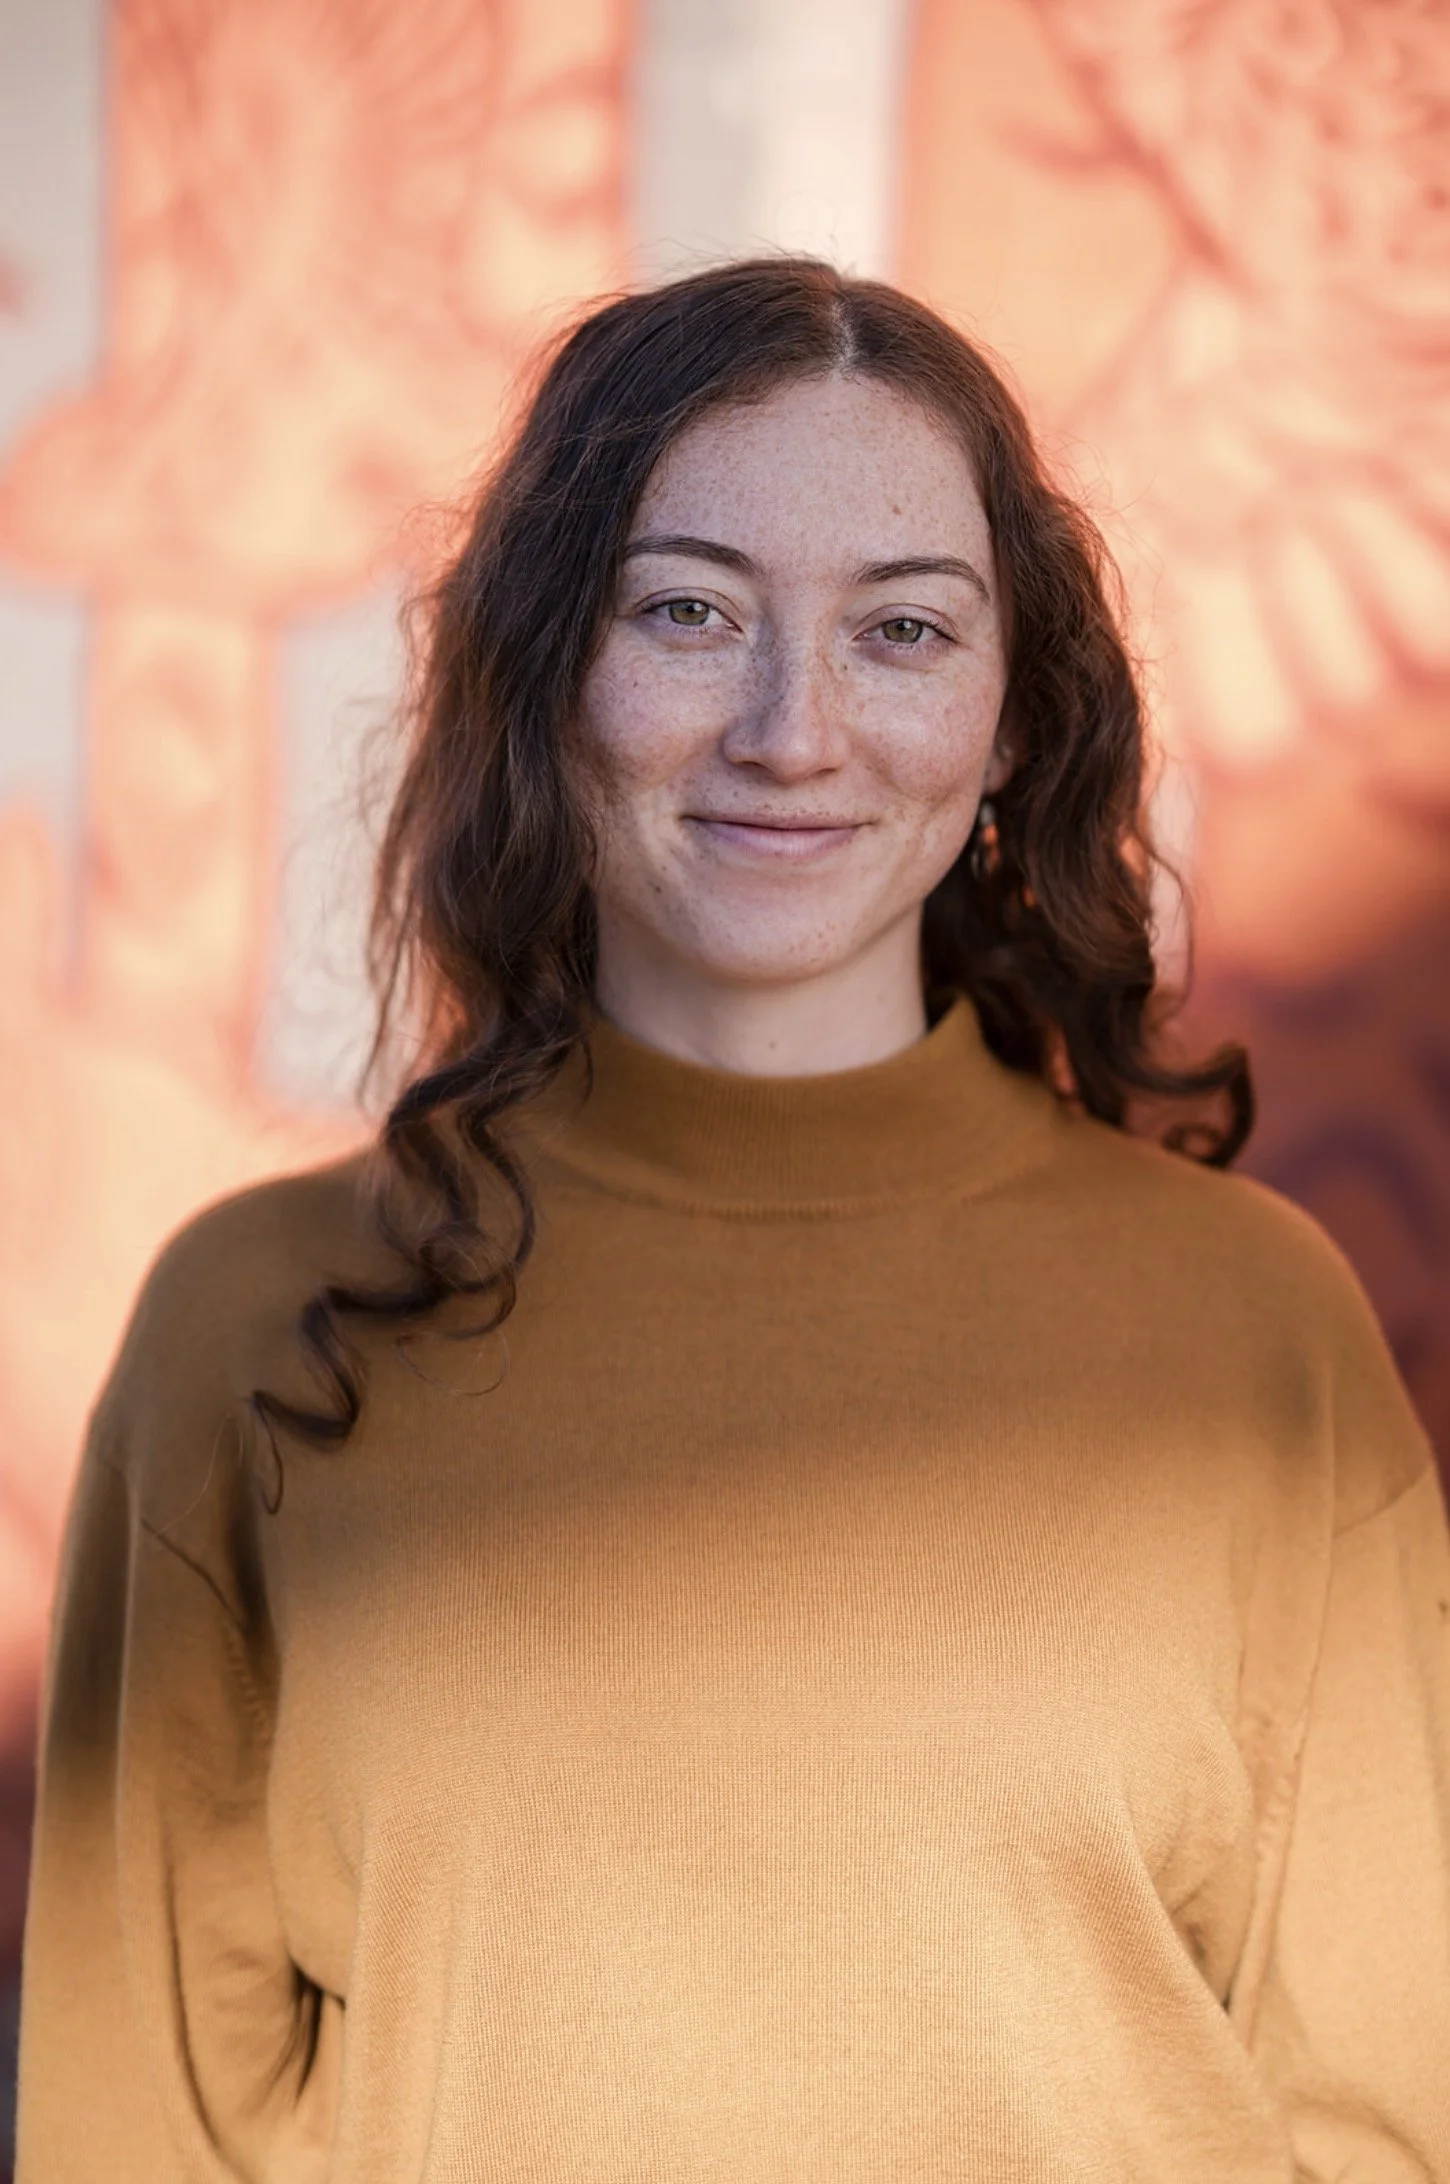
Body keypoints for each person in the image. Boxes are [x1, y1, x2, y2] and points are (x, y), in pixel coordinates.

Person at [16, 257, 1450, 2183]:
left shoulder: (1251, 1328)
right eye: (685, 611)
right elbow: (137, 2128)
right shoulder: (257, 1323)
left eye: (903, 630)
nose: (791, 731)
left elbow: (1383, 2120)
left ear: (1010, 721)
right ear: (546, 675)